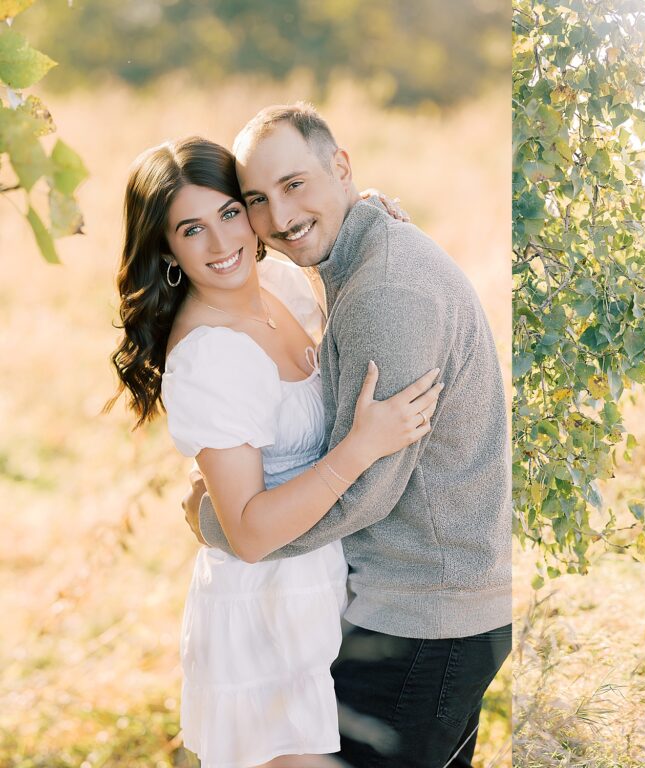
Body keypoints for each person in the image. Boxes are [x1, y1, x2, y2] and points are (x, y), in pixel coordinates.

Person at [183, 103, 512, 767]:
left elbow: (364, 492)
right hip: (434, 603)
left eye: (295, 184)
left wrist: (224, 526)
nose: (278, 217)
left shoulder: (386, 291)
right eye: (258, 199)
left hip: (423, 619)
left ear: (342, 168)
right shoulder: (364, 253)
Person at [108, 136, 441, 768]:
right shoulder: (209, 356)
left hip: (327, 587)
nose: (221, 243)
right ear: (168, 250)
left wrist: (363, 211)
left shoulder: (282, 286)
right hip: (265, 614)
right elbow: (252, 533)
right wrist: (361, 448)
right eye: (191, 230)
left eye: (231, 213)